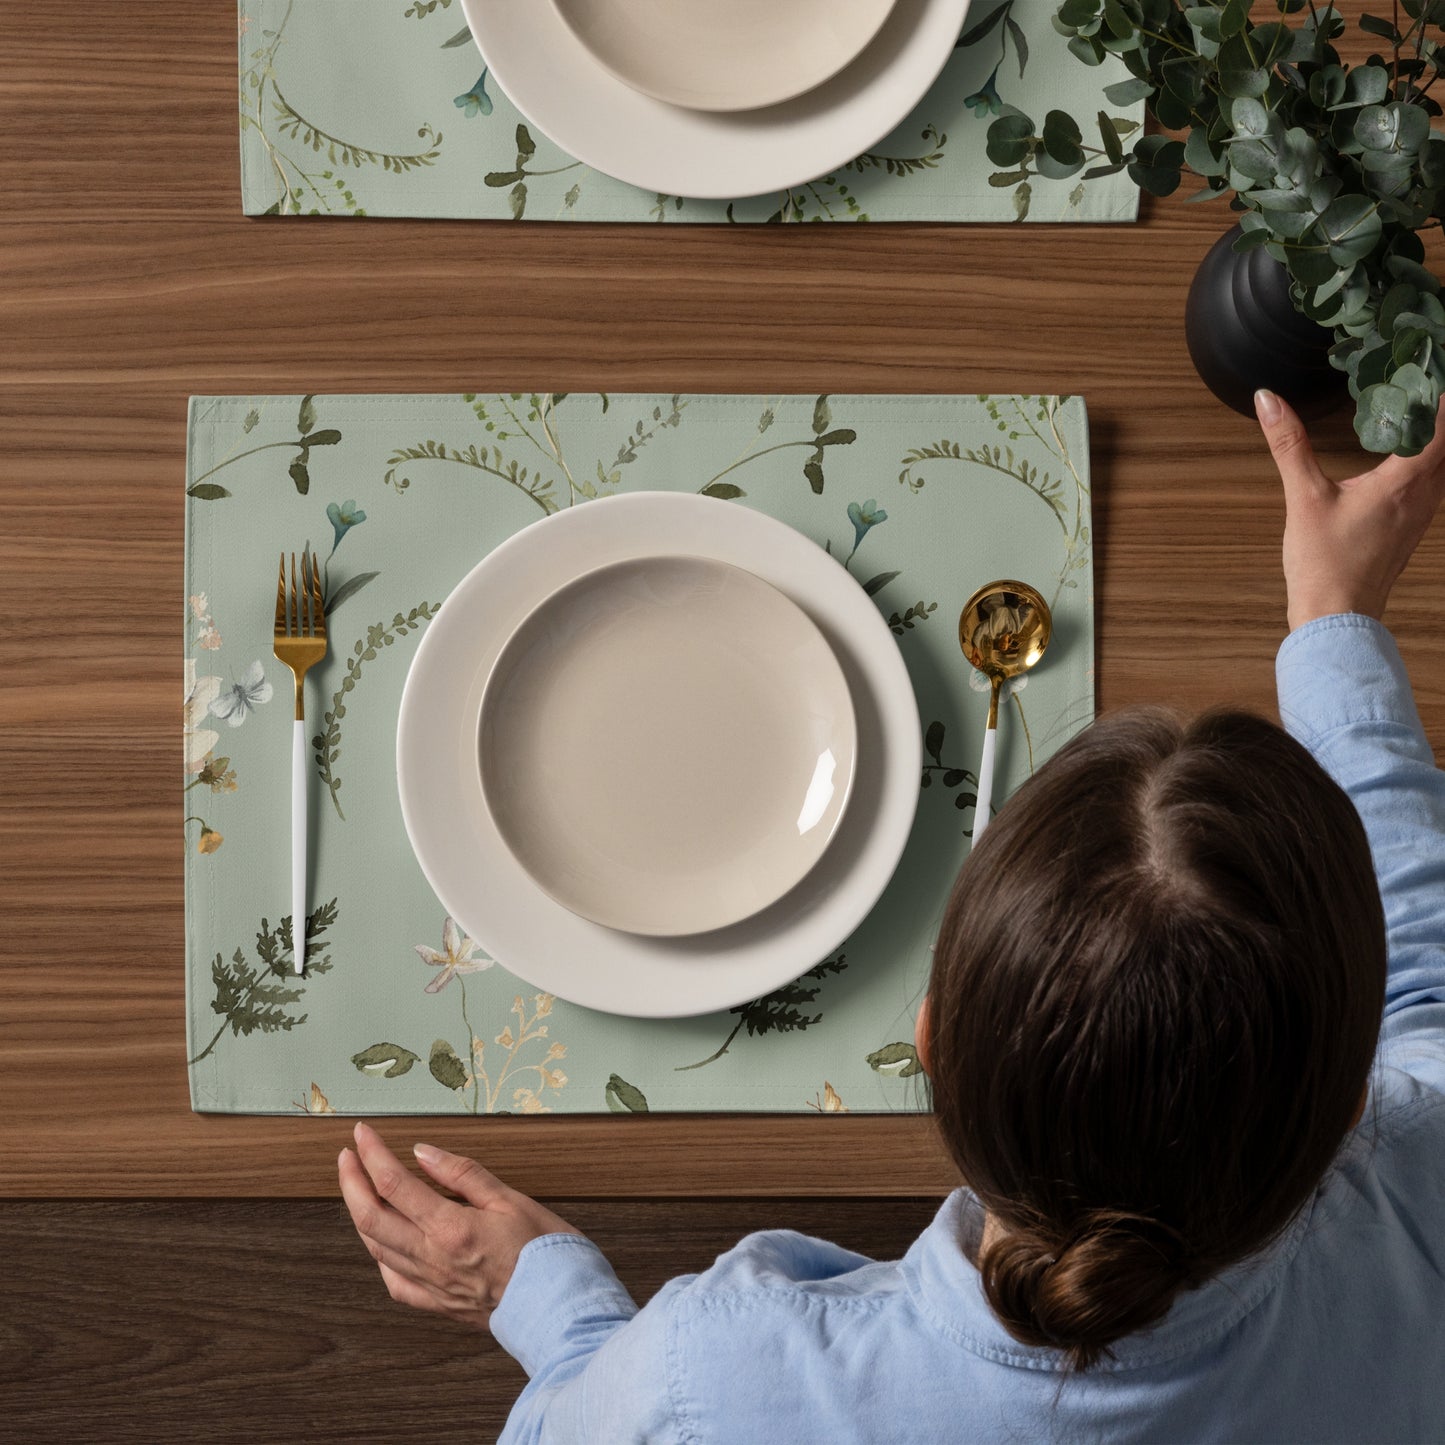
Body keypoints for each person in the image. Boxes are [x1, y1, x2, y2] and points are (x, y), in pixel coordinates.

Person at [338, 390, 1445, 1443]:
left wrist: (550, 1306)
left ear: (926, 1041)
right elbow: (1424, 988)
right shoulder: (1418, 1196)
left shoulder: (711, 1381)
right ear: (1349, 1106)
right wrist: (1332, 620)